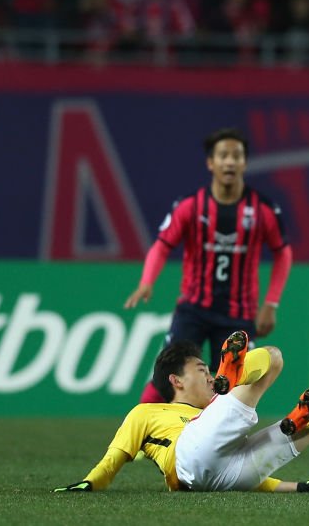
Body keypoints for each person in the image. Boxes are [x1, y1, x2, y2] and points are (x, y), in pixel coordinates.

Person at [54, 334, 309, 493]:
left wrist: (300, 487)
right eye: (202, 370)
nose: (209, 378)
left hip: (229, 477)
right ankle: (235, 375)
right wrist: (90, 483)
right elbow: (113, 458)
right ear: (176, 381)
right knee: (273, 356)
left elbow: (254, 478)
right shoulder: (146, 412)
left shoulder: (211, 412)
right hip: (189, 457)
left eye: (212, 372)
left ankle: (298, 417)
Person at [125, 128, 293, 403]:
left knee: (234, 391)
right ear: (211, 163)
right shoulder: (191, 206)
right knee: (163, 378)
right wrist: (147, 281)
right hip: (193, 310)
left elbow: (283, 253)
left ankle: (214, 444)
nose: (230, 162)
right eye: (223, 156)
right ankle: (134, 438)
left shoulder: (263, 210)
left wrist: (271, 304)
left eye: (236, 156)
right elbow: (162, 245)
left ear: (244, 163)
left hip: (238, 315)